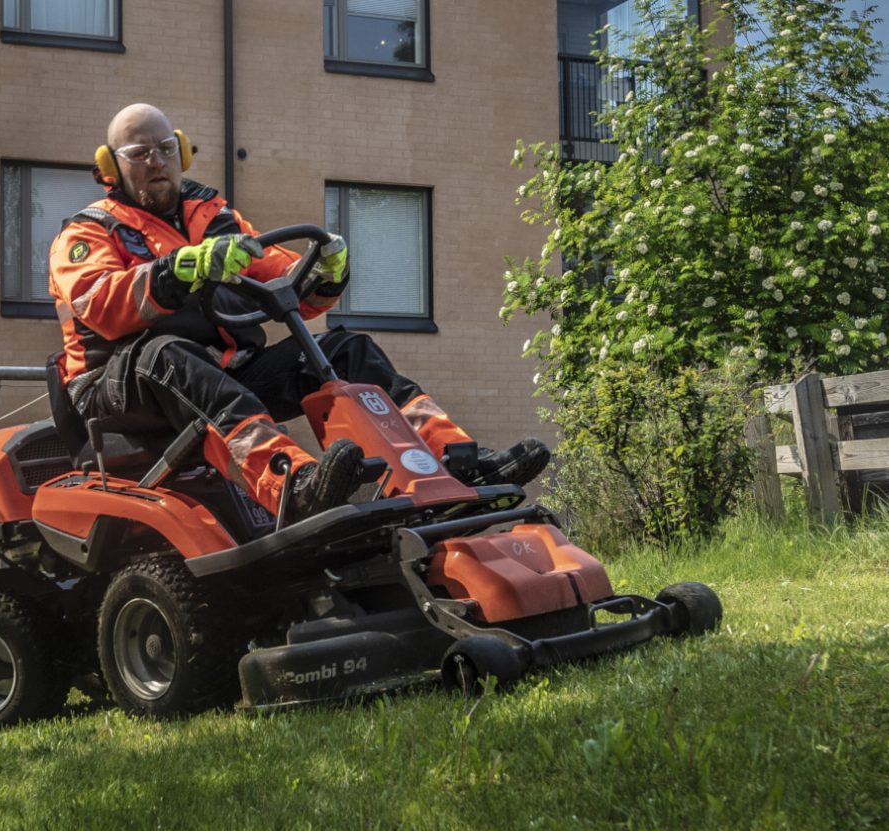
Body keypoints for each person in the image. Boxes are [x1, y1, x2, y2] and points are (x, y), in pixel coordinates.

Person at [47, 103, 548, 520]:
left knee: (347, 350)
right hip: (116, 389)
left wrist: (326, 274)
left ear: (182, 152)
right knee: (167, 352)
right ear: (111, 168)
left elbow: (290, 290)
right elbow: (103, 304)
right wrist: (176, 270)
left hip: (221, 372)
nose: (157, 161)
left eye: (165, 149)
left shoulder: (215, 217)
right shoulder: (88, 233)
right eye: (140, 154)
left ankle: (451, 461)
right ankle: (293, 483)